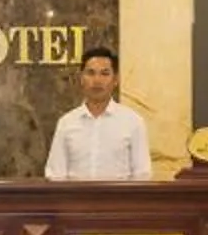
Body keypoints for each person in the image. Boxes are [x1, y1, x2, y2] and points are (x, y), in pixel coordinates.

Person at [45, 46, 151, 181]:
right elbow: (56, 174)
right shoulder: (67, 123)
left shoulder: (133, 122)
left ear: (116, 79)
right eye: (91, 73)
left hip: (120, 201)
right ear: (81, 78)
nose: (97, 80)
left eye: (105, 73)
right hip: (75, 201)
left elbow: (142, 175)